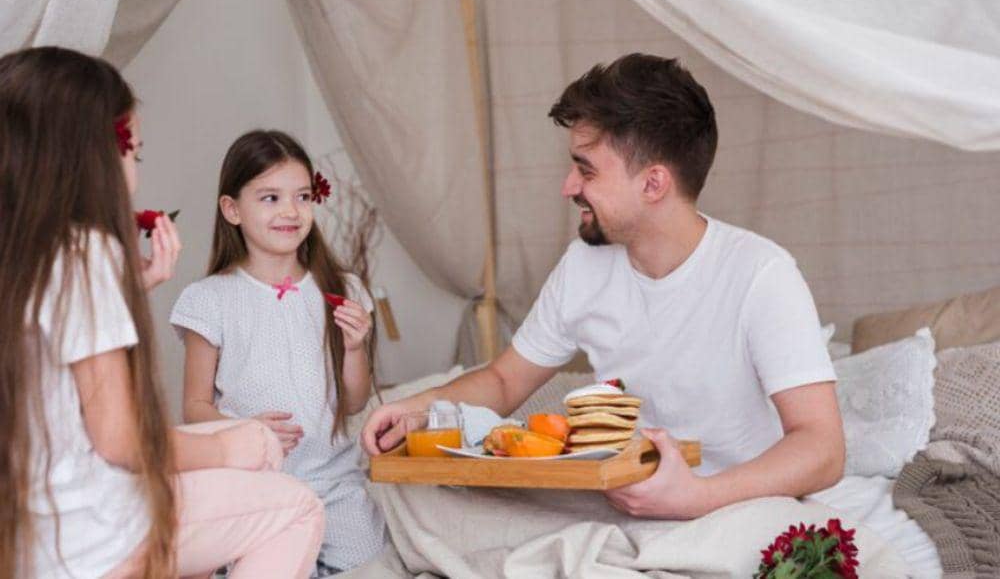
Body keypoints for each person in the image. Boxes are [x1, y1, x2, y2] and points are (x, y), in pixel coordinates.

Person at [362, 53, 845, 520]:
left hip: (732, 506)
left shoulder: (761, 274)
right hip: (618, 497)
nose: (568, 186)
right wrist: (419, 408)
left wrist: (696, 497)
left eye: (586, 169)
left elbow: (822, 447)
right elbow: (506, 380)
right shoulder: (584, 265)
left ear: (653, 184)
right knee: (419, 507)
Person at [0, 46, 324, 579]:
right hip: (88, 540)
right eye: (135, 153)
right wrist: (227, 445)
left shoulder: (25, 250)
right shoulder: (85, 252)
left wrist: (131, 288)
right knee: (294, 504)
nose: (134, 170)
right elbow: (119, 436)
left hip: (26, 535)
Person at [172, 130, 385, 575]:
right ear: (232, 209)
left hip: (335, 484)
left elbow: (355, 402)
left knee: (369, 567)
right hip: (255, 485)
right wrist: (245, 428)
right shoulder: (208, 299)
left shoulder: (343, 289)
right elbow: (195, 407)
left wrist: (353, 348)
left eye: (302, 196)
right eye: (270, 198)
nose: (290, 211)